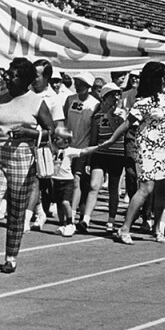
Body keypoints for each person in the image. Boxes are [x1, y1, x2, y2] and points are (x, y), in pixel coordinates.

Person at [0, 58, 55, 274]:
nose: (8, 77)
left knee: (16, 211)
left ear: (26, 80)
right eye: (8, 73)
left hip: (22, 159)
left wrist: (30, 133)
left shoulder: (37, 102)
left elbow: (52, 132)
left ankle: (10, 257)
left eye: (14, 75)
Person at [101, 62, 165, 245]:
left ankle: (158, 228)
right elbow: (127, 124)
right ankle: (125, 227)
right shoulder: (142, 102)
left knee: (162, 190)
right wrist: (112, 139)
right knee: (146, 188)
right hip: (148, 148)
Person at [78, 83, 126, 235]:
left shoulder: (123, 114)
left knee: (113, 188)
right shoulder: (97, 116)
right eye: (112, 96)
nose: (116, 99)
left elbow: (117, 132)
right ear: (104, 98)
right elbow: (94, 139)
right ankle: (86, 219)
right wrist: (88, 158)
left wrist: (110, 115)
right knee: (94, 185)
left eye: (117, 95)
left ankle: (111, 221)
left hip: (117, 155)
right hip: (100, 153)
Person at [24, 59, 65, 231]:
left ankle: (25, 219)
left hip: (42, 145)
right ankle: (40, 212)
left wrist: (60, 149)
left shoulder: (53, 99)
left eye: (38, 76)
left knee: (34, 182)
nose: (34, 79)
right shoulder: (25, 91)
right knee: (25, 182)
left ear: (47, 77)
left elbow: (59, 125)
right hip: (23, 142)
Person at [63, 72, 99, 229]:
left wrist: (89, 152)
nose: (77, 85)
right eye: (76, 82)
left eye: (81, 83)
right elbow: (63, 121)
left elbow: (94, 130)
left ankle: (72, 214)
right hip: (68, 147)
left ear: (88, 87)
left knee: (77, 179)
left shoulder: (95, 104)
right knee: (65, 180)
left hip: (83, 148)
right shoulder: (70, 99)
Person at [51, 127, 99, 236]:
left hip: (67, 180)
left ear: (66, 141)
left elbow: (84, 151)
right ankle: (62, 224)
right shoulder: (54, 149)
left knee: (65, 202)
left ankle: (70, 223)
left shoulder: (69, 151)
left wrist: (98, 147)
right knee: (58, 203)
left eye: (57, 139)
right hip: (56, 179)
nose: (54, 140)